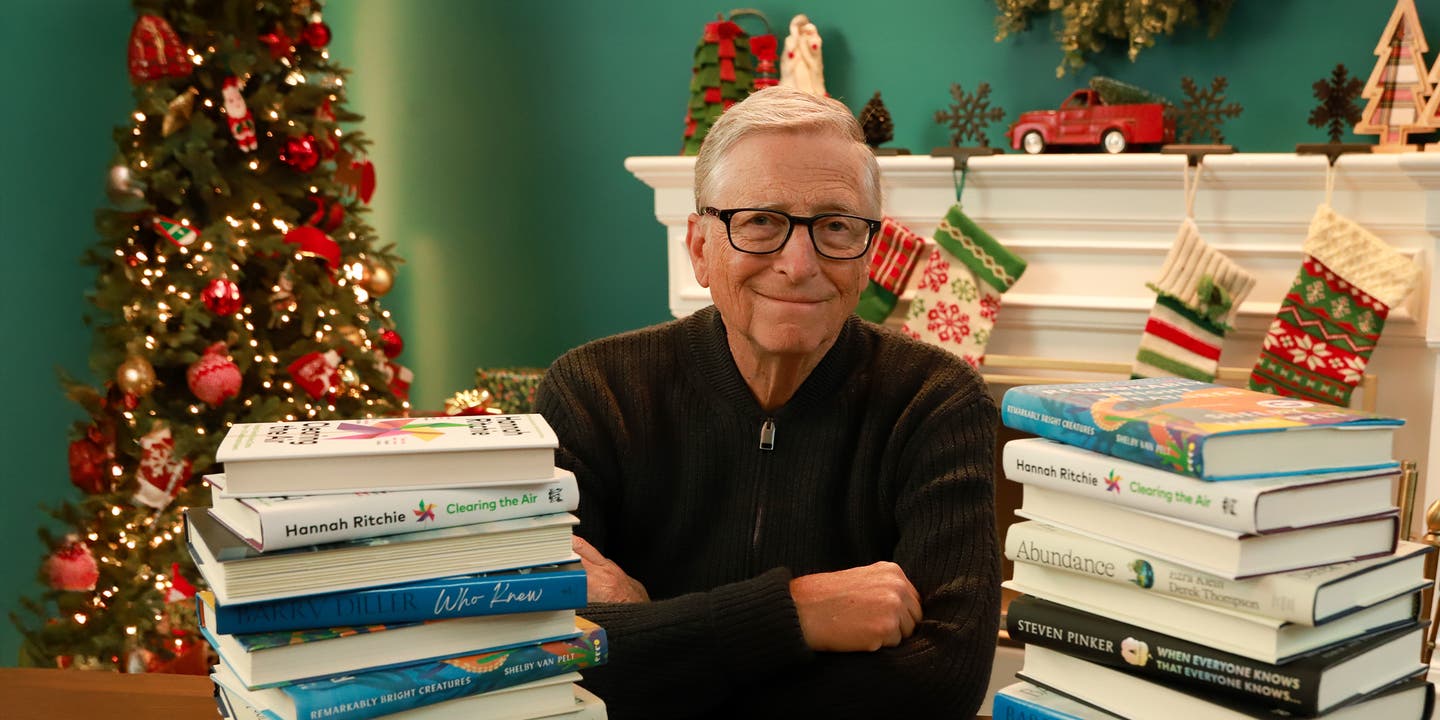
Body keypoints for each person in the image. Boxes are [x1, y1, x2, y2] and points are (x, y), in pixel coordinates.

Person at [535, 85, 1000, 718]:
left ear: (869, 254)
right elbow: (547, 654)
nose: (799, 262)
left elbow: (942, 687)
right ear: (700, 248)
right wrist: (797, 615)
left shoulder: (937, 401)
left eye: (836, 226)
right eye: (761, 222)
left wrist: (657, 633)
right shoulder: (594, 391)